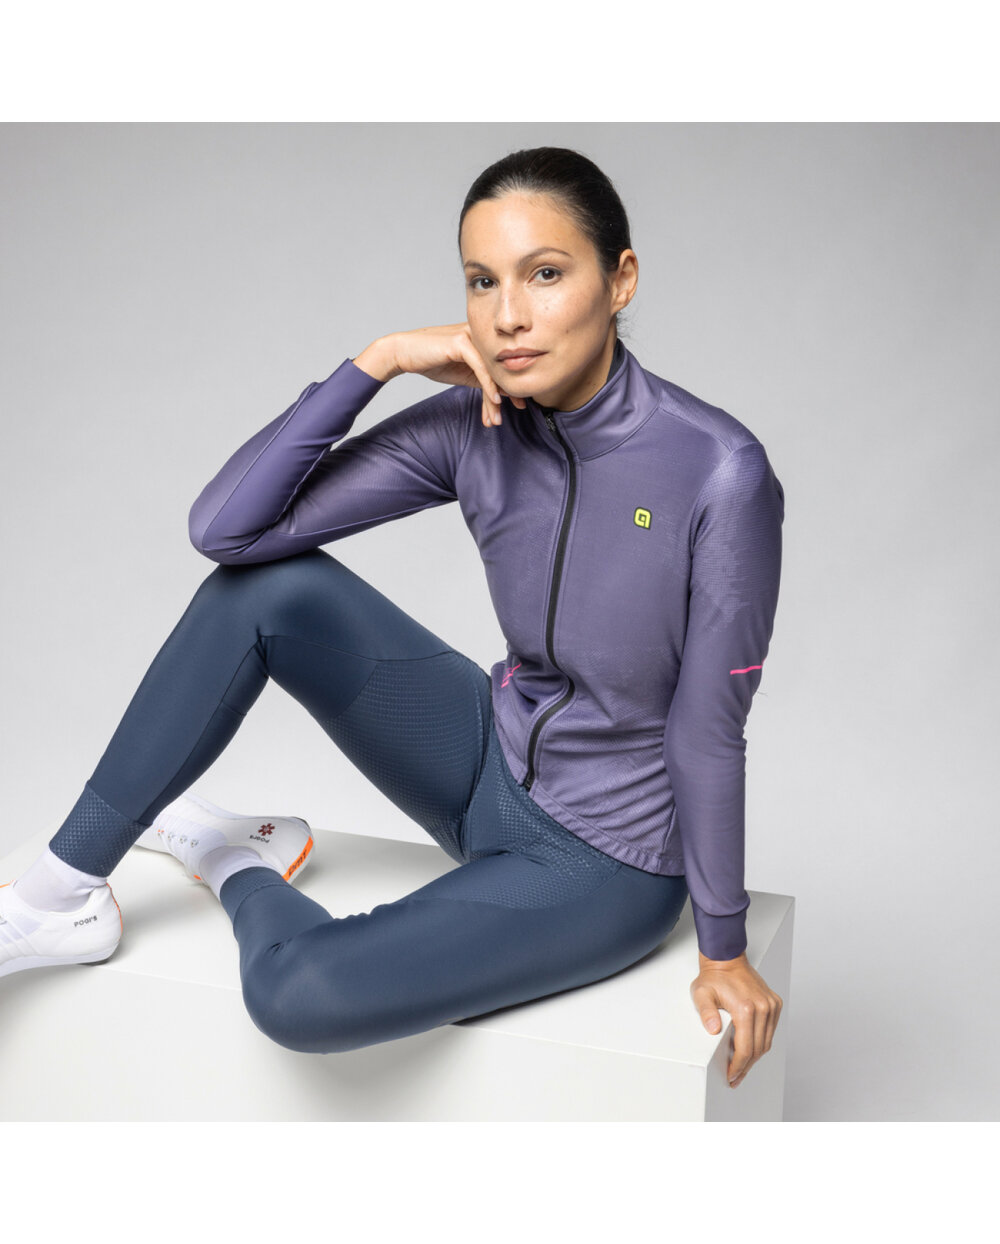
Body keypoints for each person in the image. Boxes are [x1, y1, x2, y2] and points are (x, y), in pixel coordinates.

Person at [0, 146, 784, 1089]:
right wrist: (381, 361)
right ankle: (60, 896)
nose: (508, 315)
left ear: (620, 280)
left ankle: (233, 859)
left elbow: (708, 729)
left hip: (601, 860)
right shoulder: (473, 425)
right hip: (484, 760)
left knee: (301, 996)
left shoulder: (718, 471)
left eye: (545, 274)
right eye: (482, 282)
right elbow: (228, 532)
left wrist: (725, 944)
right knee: (265, 591)